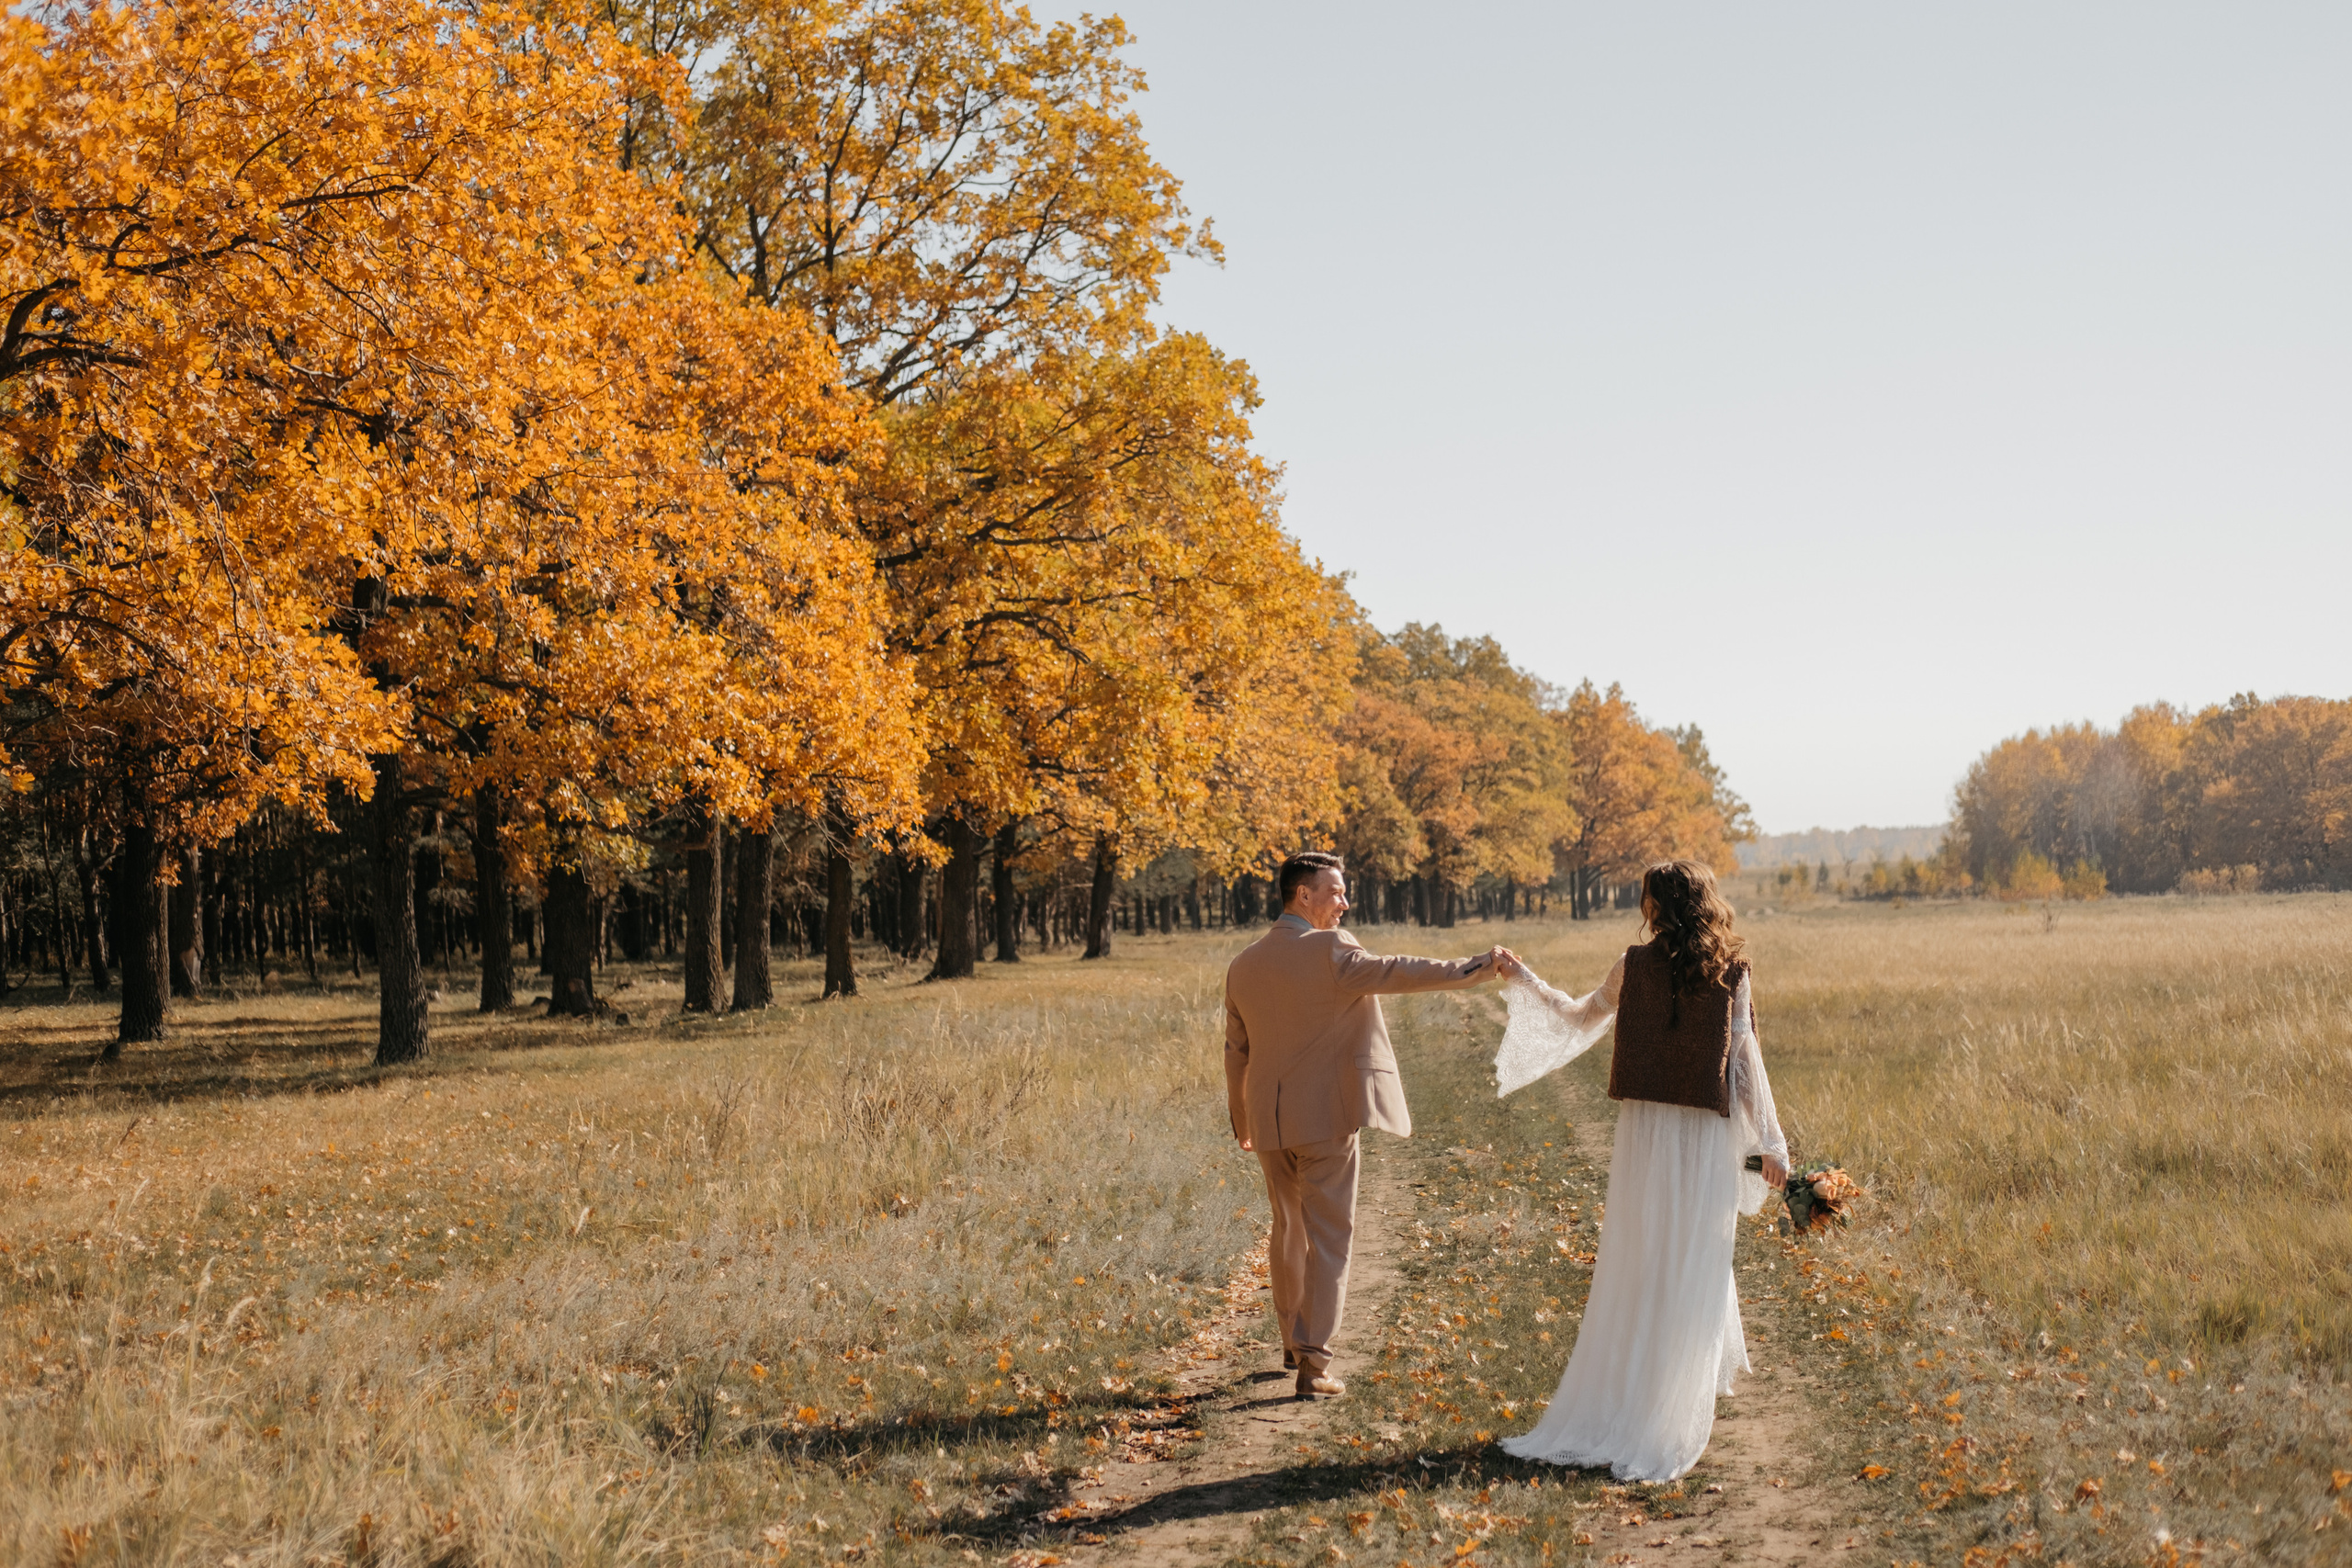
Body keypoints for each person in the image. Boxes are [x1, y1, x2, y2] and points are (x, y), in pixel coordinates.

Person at [1487, 858, 1788, 1481]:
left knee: (1647, 1251)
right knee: (1697, 1251)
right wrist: (1771, 1142)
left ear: (1657, 906)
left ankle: (1663, 1383)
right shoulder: (1730, 970)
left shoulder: (1635, 964)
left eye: (1646, 896)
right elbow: (1744, 1063)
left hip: (1647, 1130)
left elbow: (1578, 1015)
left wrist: (1525, 979)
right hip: (1702, 1130)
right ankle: (1671, 1389)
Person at [1224, 851, 1505, 1399]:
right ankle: (1313, 1365)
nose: (1344, 902)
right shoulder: (1331, 948)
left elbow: (1237, 1052)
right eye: (1335, 891)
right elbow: (1399, 971)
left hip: (1267, 1121)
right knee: (1330, 1237)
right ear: (1303, 895)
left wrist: (1242, 1120)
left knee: (1287, 1228)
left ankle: (1292, 1342)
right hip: (1325, 1119)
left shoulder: (1243, 964)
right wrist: (1474, 968)